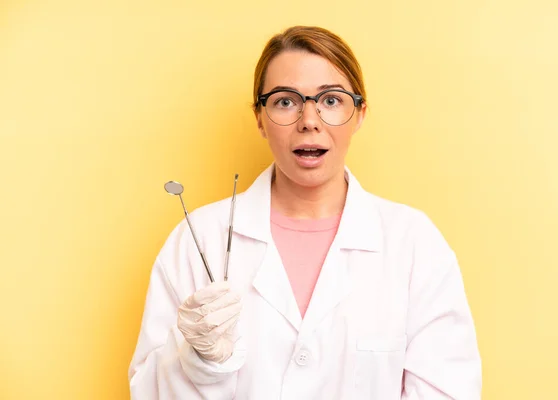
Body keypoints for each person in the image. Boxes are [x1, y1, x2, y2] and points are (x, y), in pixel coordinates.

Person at [128, 25, 482, 399]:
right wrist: (198, 361)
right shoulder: (200, 239)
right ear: (259, 118)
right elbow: (147, 392)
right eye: (285, 101)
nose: (309, 121)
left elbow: (449, 390)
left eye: (331, 100)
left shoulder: (413, 243)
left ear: (359, 114)